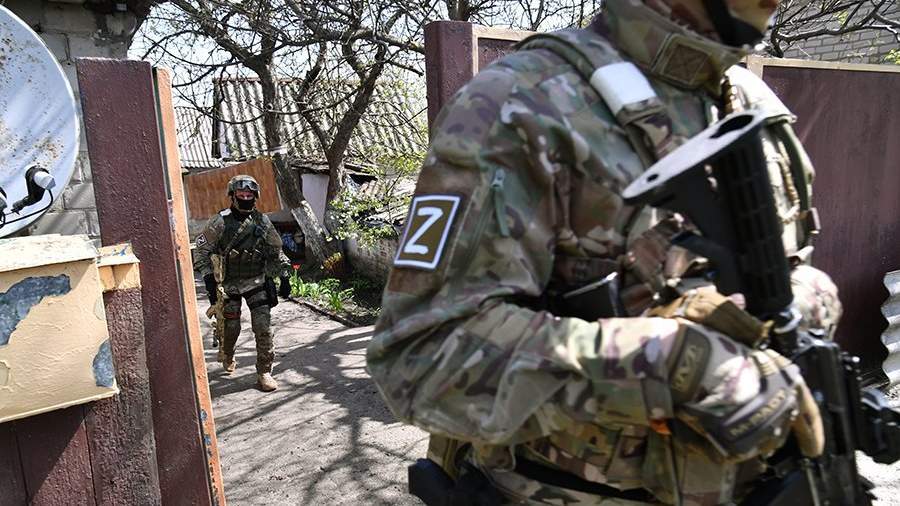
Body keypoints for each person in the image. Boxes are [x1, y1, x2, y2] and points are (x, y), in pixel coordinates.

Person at [366, 0, 843, 503]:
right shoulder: (522, 102)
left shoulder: (752, 103)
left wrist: (807, 298)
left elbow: (793, 266)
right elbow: (419, 361)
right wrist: (674, 366)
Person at [194, 175, 290, 392]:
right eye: (241, 193)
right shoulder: (219, 222)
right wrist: (208, 279)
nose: (246, 197)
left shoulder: (262, 221)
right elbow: (201, 251)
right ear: (233, 195)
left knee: (263, 328)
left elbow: (276, 250)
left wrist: (284, 275)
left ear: (255, 196)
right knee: (231, 327)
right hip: (229, 284)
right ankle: (228, 353)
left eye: (249, 194)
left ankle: (264, 372)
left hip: (256, 281)